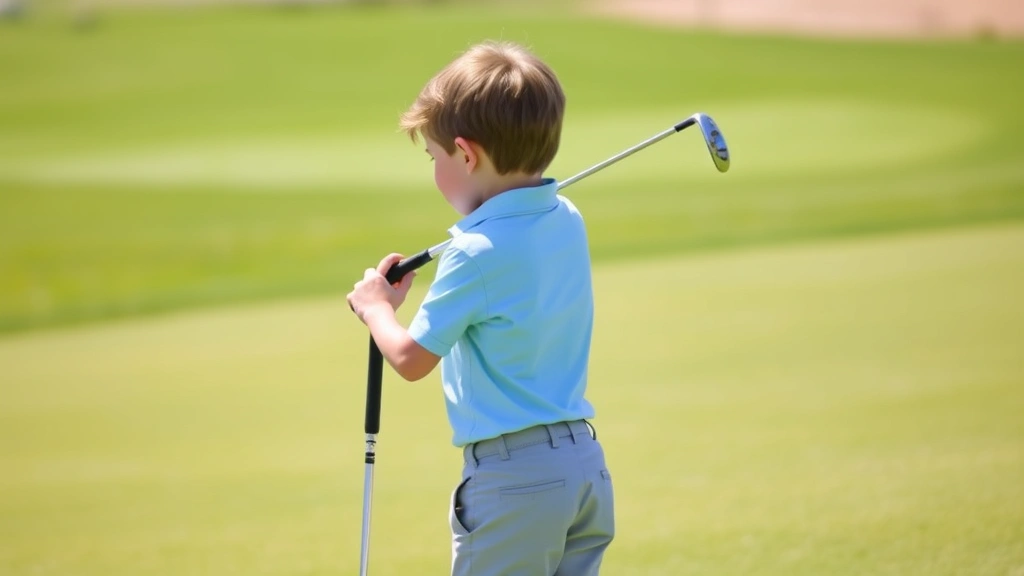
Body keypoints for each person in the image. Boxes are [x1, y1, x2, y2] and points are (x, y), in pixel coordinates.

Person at [346, 40, 614, 576]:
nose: (435, 169)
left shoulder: (471, 253)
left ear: (466, 154)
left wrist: (377, 308)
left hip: (514, 480)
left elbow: (411, 360)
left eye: (435, 157)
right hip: (585, 468)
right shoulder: (566, 215)